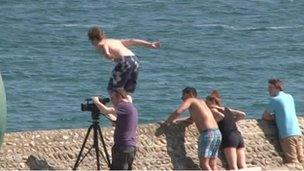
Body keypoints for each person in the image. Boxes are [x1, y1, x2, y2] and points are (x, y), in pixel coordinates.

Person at [88, 26, 161, 102]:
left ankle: (121, 110)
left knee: (113, 88)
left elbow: (106, 52)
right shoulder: (114, 41)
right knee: (127, 91)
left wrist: (110, 57)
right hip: (135, 61)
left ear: (95, 39)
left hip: (125, 61)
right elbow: (132, 41)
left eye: (91, 41)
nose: (92, 44)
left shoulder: (101, 44)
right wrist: (149, 44)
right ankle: (129, 107)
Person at [163, 87, 222, 170]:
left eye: (183, 95)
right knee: (212, 163)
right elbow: (191, 119)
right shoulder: (202, 102)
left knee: (204, 164)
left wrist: (167, 122)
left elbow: (179, 111)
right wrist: (177, 120)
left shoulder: (190, 100)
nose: (182, 98)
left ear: (190, 94)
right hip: (217, 133)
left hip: (207, 133)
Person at [92, 88, 138, 170]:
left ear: (119, 97)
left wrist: (96, 102)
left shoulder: (122, 105)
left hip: (123, 148)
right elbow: (120, 122)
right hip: (130, 147)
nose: (112, 101)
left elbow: (105, 110)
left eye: (112, 98)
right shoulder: (130, 107)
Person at [262, 78, 304, 164]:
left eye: (270, 88)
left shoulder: (275, 100)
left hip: (286, 134)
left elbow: (265, 116)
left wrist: (276, 117)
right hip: (297, 132)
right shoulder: (290, 97)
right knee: (302, 160)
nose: (268, 90)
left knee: (293, 162)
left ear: (277, 88)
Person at [206, 90, 247, 170]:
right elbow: (242, 114)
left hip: (229, 137)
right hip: (238, 136)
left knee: (233, 166)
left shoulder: (213, 110)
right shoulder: (226, 109)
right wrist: (232, 121)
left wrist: (213, 123)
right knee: (242, 166)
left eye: (206, 102)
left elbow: (220, 116)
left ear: (211, 102)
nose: (205, 104)